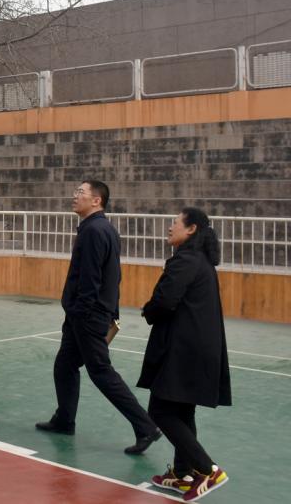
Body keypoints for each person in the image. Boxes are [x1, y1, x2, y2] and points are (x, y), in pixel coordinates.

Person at [35, 180, 162, 454]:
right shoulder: (103, 229)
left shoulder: (94, 231)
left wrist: (82, 312)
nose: (74, 196)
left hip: (87, 315)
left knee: (101, 372)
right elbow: (114, 275)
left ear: (97, 201)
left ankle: (146, 427)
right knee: (64, 365)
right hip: (86, 314)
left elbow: (91, 278)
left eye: (80, 192)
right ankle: (64, 420)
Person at [138, 207, 231, 501]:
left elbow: (164, 301)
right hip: (197, 348)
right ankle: (183, 474)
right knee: (181, 410)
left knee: (161, 411)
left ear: (191, 229)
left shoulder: (186, 260)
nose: (170, 227)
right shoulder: (200, 261)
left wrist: (148, 310)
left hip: (183, 350)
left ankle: (208, 469)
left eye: (175, 223)